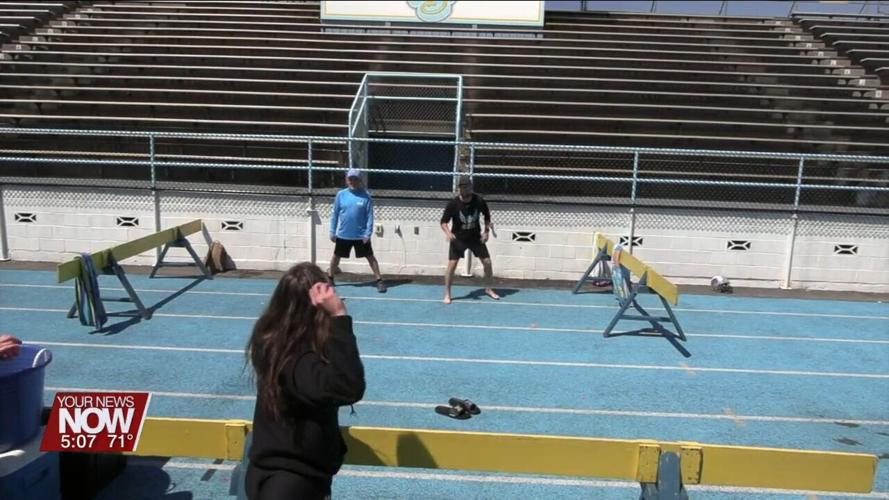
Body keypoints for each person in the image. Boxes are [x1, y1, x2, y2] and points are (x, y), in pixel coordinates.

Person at [245, 263, 366, 500]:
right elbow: (348, 387)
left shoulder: (269, 340)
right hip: (293, 482)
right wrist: (339, 318)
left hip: (268, 470)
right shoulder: (299, 362)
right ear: (316, 308)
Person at [440, 176, 500, 304]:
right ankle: (447, 293)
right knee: (452, 265)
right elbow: (443, 222)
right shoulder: (453, 204)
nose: (464, 189)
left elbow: (487, 217)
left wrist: (486, 232)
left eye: (466, 186)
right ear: (459, 188)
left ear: (471, 187)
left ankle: (489, 289)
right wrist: (448, 232)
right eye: (462, 187)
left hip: (475, 238)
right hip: (459, 238)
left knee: (487, 262)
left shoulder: (479, 201)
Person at [329, 168, 387, 293]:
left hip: (361, 236)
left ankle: (379, 281)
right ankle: (330, 278)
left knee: (370, 257)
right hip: (343, 234)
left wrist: (368, 233)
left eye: (355, 178)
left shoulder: (366, 196)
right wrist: (332, 231)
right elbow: (335, 214)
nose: (352, 181)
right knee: (336, 256)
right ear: (346, 179)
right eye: (350, 178)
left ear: (359, 180)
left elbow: (370, 216)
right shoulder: (341, 195)